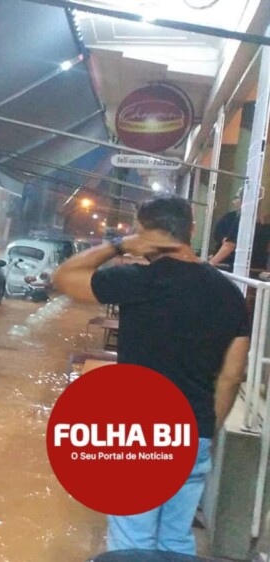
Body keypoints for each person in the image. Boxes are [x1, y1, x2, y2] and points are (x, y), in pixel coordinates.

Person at [53, 195, 250, 556]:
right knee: (175, 541)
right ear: (191, 229)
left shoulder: (137, 281)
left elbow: (64, 277)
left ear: (143, 233)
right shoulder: (230, 294)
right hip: (196, 431)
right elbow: (232, 375)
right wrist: (208, 429)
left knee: (133, 541)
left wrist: (118, 245)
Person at [209, 192, 241, 269]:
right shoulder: (228, 217)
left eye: (237, 198)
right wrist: (222, 239)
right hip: (226, 258)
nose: (234, 202)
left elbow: (229, 245)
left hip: (234, 260)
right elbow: (217, 233)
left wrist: (210, 264)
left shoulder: (244, 218)